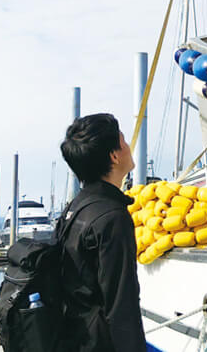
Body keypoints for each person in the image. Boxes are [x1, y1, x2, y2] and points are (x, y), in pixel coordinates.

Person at [58, 112, 146, 352]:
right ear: (114, 156)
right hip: (100, 343)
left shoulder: (75, 209)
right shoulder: (113, 217)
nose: (129, 146)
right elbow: (121, 304)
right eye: (123, 140)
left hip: (74, 336)